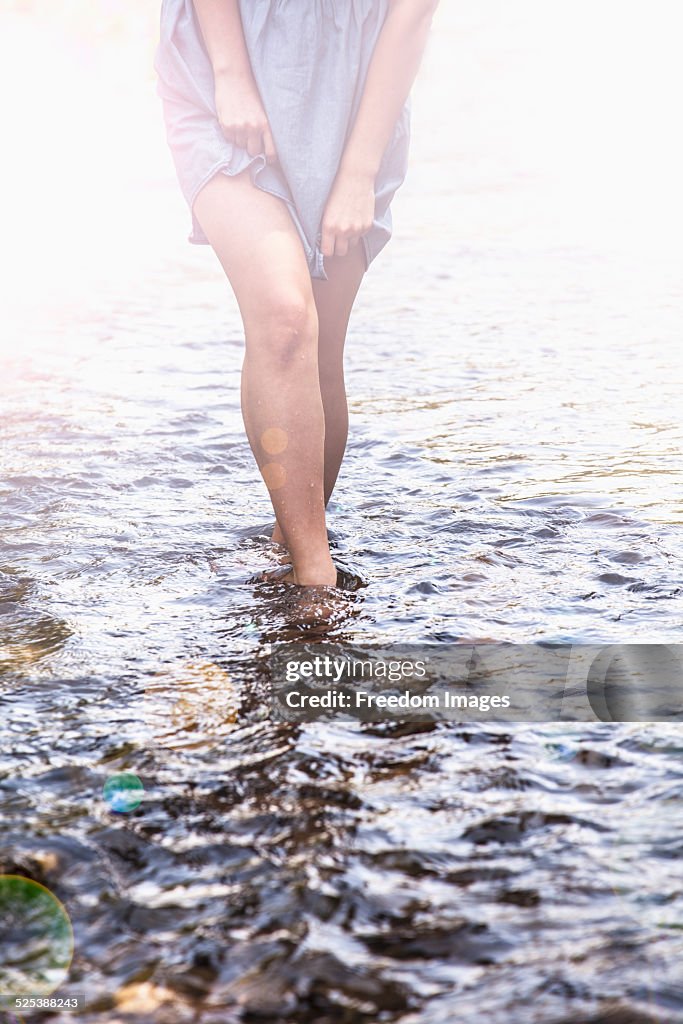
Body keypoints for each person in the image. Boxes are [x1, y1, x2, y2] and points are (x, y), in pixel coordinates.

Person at [154, 0, 438, 588]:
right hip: (224, 60)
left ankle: (291, 540)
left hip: (356, 88)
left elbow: (413, 12)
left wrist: (359, 172)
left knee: (317, 349)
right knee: (284, 319)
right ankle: (314, 575)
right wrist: (230, 77)